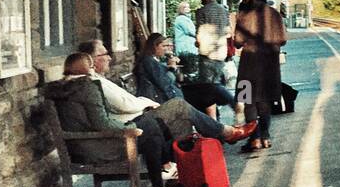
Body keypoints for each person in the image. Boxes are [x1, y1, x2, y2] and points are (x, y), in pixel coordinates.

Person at [50, 53, 182, 187]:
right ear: (88, 69)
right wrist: (130, 128)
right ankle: (162, 182)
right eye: (92, 66)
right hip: (97, 148)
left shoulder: (61, 88)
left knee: (149, 124)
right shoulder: (87, 88)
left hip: (79, 147)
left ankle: (163, 178)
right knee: (149, 127)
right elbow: (102, 123)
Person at [77, 39, 252, 144]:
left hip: (138, 114)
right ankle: (226, 131)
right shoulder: (95, 82)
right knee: (180, 106)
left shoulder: (99, 80)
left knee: (201, 97)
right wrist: (149, 102)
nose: (109, 57)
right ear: (90, 60)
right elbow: (125, 104)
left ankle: (186, 166)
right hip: (134, 121)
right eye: (104, 54)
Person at [233, 0, 287, 152]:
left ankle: (254, 138)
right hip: (270, 65)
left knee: (249, 100)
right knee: (265, 101)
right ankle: (265, 137)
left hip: (249, 64)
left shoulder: (245, 16)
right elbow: (283, 39)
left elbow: (237, 42)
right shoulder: (275, 14)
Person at [194, 0, 234, 119]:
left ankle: (230, 106)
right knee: (216, 84)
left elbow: (199, 36)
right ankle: (218, 116)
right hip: (221, 52)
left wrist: (197, 43)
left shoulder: (201, 12)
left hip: (207, 53)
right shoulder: (223, 10)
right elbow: (229, 32)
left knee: (208, 87)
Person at [172, 1, 199, 80]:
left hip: (187, 48)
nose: (188, 9)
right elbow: (191, 31)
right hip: (186, 49)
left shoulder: (185, 19)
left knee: (186, 71)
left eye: (188, 7)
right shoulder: (182, 19)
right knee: (190, 71)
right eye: (185, 7)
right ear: (181, 9)